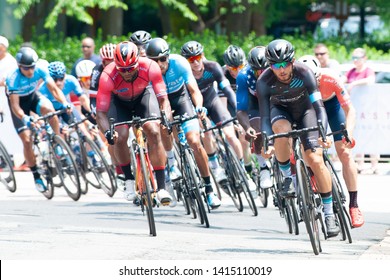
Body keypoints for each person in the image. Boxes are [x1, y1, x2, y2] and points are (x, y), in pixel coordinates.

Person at [257, 39, 339, 237]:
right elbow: (266, 117)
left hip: (306, 111)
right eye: (276, 65)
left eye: (285, 63)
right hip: (281, 111)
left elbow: (319, 108)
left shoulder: (304, 73)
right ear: (270, 66)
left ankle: (329, 213)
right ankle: (286, 177)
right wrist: (268, 142)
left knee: (315, 159)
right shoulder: (264, 82)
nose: (282, 69)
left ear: (292, 61)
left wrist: (322, 133)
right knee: (281, 131)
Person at [146, 37, 221, 208]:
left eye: (163, 59)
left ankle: (209, 189)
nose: (160, 64)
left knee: (194, 141)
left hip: (181, 99)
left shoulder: (179, 63)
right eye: (155, 61)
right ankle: (172, 162)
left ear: (168, 57)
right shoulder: (148, 72)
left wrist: (199, 107)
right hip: (160, 102)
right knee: (164, 127)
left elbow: (193, 89)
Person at [96, 41, 173, 205]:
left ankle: (161, 187)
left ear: (138, 61)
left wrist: (165, 117)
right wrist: (108, 133)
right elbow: (101, 113)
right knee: (120, 136)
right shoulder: (108, 76)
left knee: (153, 130)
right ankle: (129, 180)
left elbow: (163, 99)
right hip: (119, 102)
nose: (127, 73)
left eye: (131, 68)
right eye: (122, 70)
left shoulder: (151, 66)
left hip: (143, 96)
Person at [298, 55, 364, 228]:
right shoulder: (297, 84)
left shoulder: (330, 77)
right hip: (310, 110)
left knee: (344, 152)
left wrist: (348, 133)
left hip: (332, 107)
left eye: (317, 79)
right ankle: (313, 174)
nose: (315, 83)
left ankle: (354, 205)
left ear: (320, 74)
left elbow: (350, 110)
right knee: (310, 148)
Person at [180, 41, 249, 195]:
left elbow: (227, 90)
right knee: (206, 132)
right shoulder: (185, 73)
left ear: (203, 55)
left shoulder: (213, 67)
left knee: (231, 135)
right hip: (195, 106)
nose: (196, 62)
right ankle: (216, 167)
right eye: (191, 60)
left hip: (213, 101)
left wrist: (238, 111)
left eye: (198, 57)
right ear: (186, 62)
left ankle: (243, 171)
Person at [6, 47, 70, 193]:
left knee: (50, 110)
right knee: (27, 141)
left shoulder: (40, 68)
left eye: (32, 67)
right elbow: (15, 105)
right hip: (19, 106)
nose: (30, 71)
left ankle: (56, 143)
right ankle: (36, 176)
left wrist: (64, 103)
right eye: (27, 68)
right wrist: (24, 117)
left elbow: (54, 90)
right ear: (19, 66)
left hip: (32, 98)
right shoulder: (13, 78)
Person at [235, 46, 272, 190]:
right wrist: (247, 128)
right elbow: (241, 110)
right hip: (254, 102)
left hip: (273, 99)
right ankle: (264, 168)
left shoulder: (276, 71)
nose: (262, 73)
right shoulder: (244, 76)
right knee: (256, 129)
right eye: (258, 70)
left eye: (265, 69)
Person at [342, 47, 377, 175]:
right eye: (353, 58)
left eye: (358, 58)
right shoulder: (351, 71)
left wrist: (354, 84)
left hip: (368, 110)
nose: (355, 60)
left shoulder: (368, 71)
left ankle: (374, 165)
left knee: (371, 136)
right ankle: (360, 164)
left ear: (364, 58)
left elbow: (370, 80)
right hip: (354, 110)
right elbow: (342, 80)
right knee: (357, 136)